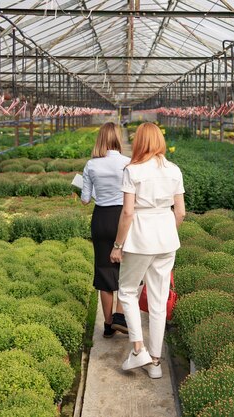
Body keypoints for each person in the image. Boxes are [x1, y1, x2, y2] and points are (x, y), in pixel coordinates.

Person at [110, 122, 186, 379]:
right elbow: (181, 212)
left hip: (140, 238)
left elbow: (128, 212)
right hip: (166, 238)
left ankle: (138, 348)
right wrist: (168, 232)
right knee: (158, 300)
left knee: (128, 291)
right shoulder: (174, 170)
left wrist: (118, 245)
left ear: (140, 142)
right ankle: (155, 362)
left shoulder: (132, 170)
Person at [81, 122, 131, 338]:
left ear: (100, 139)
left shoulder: (91, 165)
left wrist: (97, 194)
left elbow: (85, 199)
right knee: (127, 270)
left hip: (101, 218)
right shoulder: (128, 163)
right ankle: (121, 315)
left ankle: (109, 324)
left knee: (104, 272)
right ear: (117, 139)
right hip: (123, 218)